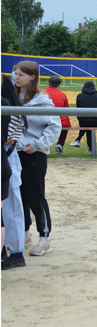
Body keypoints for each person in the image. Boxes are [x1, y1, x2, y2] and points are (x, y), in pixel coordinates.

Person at [13, 61, 61, 257]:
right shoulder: (10, 97)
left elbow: (54, 127)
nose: (16, 77)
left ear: (32, 76)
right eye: (14, 74)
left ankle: (44, 238)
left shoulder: (43, 101)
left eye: (21, 75)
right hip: (13, 153)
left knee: (35, 195)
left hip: (33, 153)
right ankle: (24, 232)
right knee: (17, 195)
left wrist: (37, 145)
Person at [2, 75, 27, 269]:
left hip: (7, 159)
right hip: (8, 158)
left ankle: (16, 250)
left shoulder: (10, 108)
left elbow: (8, 139)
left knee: (11, 208)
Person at [71, 80, 97, 154]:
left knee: (86, 122)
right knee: (90, 123)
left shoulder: (79, 96)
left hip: (83, 121)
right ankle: (88, 146)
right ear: (94, 87)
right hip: (96, 121)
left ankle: (79, 139)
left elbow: (78, 110)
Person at [43, 76, 71, 155]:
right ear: (59, 85)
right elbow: (66, 110)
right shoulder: (62, 94)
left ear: (48, 83)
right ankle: (60, 144)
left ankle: (44, 145)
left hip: (44, 119)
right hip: (59, 120)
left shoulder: (41, 93)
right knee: (66, 125)